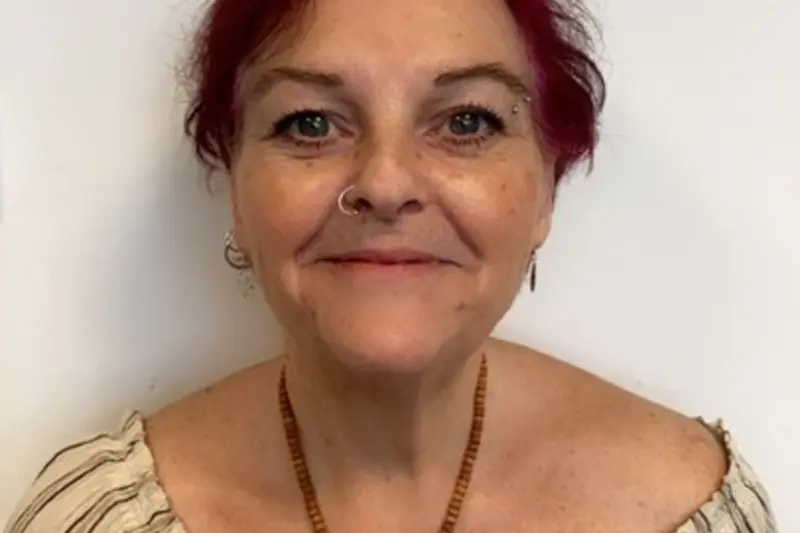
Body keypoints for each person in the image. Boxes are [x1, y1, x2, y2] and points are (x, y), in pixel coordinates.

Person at [4, 0, 778, 532]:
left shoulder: (686, 507)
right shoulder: (99, 517)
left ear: (547, 188)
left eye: (466, 121)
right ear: (235, 187)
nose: (385, 182)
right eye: (310, 123)